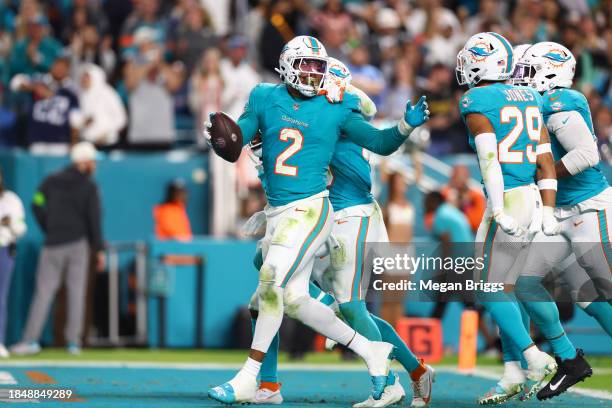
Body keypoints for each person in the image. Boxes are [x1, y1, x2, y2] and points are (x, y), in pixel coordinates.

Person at [207, 35, 430, 405]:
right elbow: (241, 143)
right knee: (279, 296)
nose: (313, 75)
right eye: (306, 66)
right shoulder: (264, 97)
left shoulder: (336, 104)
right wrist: (223, 140)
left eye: (319, 68)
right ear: (286, 66)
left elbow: (376, 130)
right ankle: (282, 381)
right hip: (282, 211)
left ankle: (251, 377)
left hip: (322, 209)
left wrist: (401, 124)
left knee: (279, 283)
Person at [456, 32, 568, 404]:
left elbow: (489, 158)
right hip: (534, 199)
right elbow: (545, 159)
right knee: (505, 288)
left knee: (488, 287)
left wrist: (499, 209)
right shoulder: (531, 97)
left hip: (508, 199)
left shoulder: (476, 99)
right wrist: (548, 210)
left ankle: (534, 358)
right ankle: (511, 372)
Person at [511, 41, 609, 399]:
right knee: (527, 283)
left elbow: (586, 154)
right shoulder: (536, 103)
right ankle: (569, 360)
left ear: (550, 71)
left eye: (527, 71)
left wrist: (542, 178)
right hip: (560, 214)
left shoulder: (559, 100)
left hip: (589, 208)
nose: (520, 79)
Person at [10, 142, 104, 356]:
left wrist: (48, 226)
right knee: (76, 292)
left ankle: (30, 340)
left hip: (52, 243)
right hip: (77, 244)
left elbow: (36, 202)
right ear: (83, 162)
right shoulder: (89, 186)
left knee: (43, 293)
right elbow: (94, 219)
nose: (94, 165)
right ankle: (73, 343)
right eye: (92, 161)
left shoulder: (50, 180)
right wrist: (97, 249)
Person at [11, 53, 83, 155]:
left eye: (63, 67)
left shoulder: (71, 90)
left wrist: (74, 142)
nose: (59, 69)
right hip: (37, 139)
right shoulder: (40, 80)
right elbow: (15, 83)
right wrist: (34, 88)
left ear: (68, 70)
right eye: (57, 65)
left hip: (60, 142)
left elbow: (75, 119)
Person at [0, 168, 26, 358]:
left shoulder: (11, 200)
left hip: (4, 249)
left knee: (1, 298)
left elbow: (21, 227)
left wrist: (10, 224)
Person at [78, 63, 127, 148]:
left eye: (87, 77)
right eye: (83, 76)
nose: (84, 79)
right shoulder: (82, 95)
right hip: (87, 143)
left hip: (108, 143)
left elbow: (121, 119)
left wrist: (107, 134)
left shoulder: (108, 93)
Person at [441, 164, 485, 232]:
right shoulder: (443, 194)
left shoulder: (476, 196)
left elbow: (477, 222)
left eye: (463, 176)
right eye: (457, 176)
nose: (460, 179)